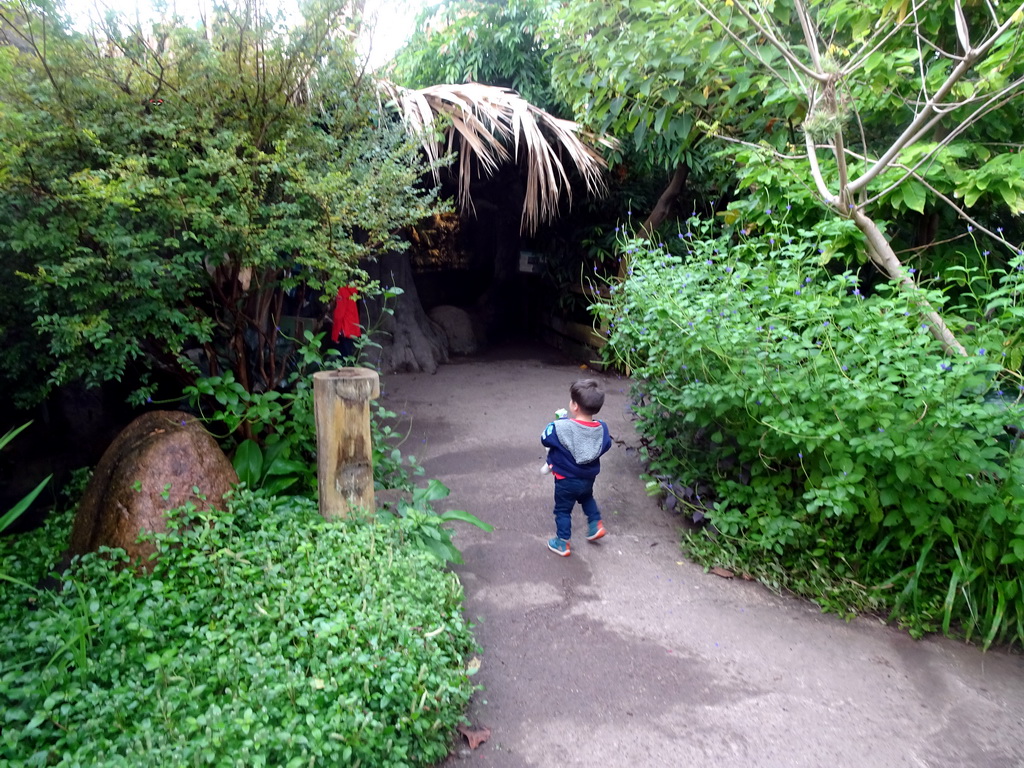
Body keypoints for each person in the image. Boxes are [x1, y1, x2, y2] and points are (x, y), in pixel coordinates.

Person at [540, 378, 613, 557]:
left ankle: (562, 542)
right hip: (587, 479)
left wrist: (559, 423)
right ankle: (595, 524)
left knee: (563, 510)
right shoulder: (601, 428)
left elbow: (545, 438)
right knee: (587, 498)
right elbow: (607, 445)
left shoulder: (560, 427)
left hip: (565, 480)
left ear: (575, 406)